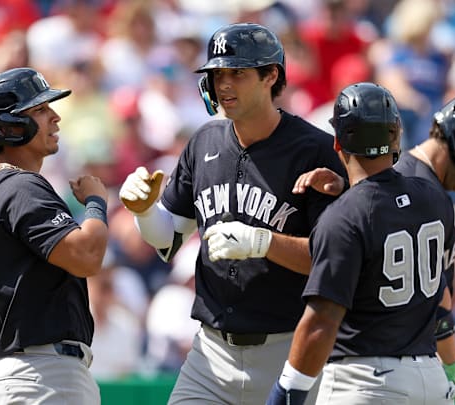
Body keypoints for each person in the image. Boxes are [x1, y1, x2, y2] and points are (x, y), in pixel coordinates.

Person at [119, 22, 346, 404]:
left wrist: (264, 242)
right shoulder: (203, 141)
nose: (223, 85)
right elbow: (170, 237)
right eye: (217, 74)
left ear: (271, 75)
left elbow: (333, 261)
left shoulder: (316, 151)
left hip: (290, 351)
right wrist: (144, 212)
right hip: (210, 355)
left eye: (237, 73)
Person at [291, 92, 455, 401]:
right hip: (380, 368)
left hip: (380, 372)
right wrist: (453, 361)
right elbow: (440, 301)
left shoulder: (410, 185)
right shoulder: (420, 189)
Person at [267, 82, 455, 405]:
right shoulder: (434, 198)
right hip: (431, 380)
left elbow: (322, 320)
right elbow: (386, 210)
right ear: (395, 136)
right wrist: (347, 191)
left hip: (367, 381)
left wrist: (288, 389)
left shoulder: (342, 216)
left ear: (338, 142)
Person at [0, 67, 109, 405]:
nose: (55, 117)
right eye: (40, 110)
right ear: (10, 125)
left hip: (15, 374)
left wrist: (9, 363)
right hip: (45, 377)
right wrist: (96, 204)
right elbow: (86, 256)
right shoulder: (21, 187)